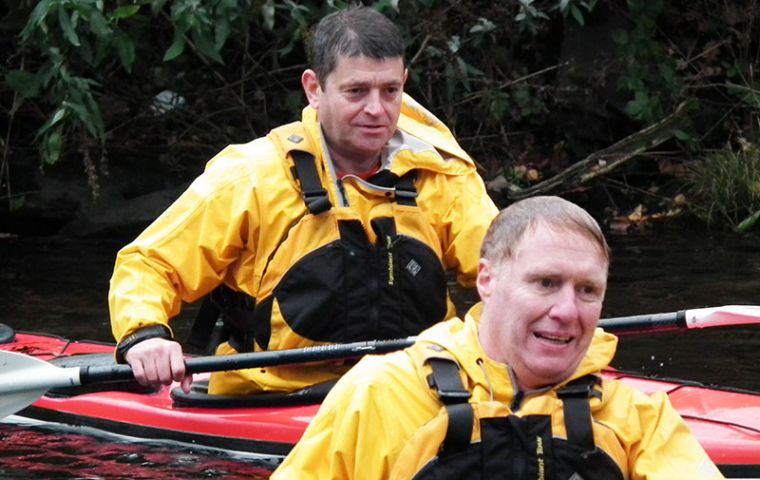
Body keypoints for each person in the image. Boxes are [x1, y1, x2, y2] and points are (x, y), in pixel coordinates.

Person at [108, 6, 498, 396]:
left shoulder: (442, 176)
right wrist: (145, 335)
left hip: (413, 392)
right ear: (314, 88)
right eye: (356, 91)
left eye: (390, 91)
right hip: (273, 394)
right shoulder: (252, 175)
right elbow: (150, 263)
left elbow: (510, 273)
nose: (377, 110)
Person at [271, 196, 724, 480]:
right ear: (487, 280)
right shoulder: (380, 394)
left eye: (587, 291)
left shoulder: (637, 419)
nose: (567, 311)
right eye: (545, 283)